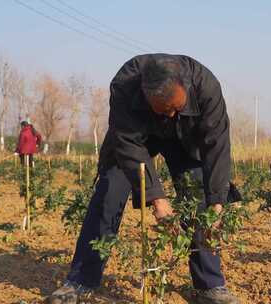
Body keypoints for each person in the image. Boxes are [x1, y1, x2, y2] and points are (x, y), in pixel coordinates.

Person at [47, 54, 241, 304]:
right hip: (134, 140)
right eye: (163, 109)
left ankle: (210, 286)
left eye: (176, 108)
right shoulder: (125, 84)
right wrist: (156, 198)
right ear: (146, 94)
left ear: (186, 86)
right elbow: (127, 143)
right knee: (108, 196)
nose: (170, 115)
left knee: (200, 201)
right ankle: (81, 280)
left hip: (186, 141)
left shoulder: (207, 87)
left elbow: (217, 145)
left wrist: (217, 201)